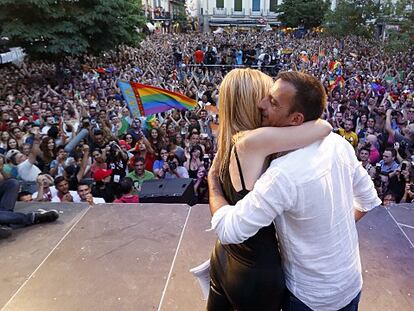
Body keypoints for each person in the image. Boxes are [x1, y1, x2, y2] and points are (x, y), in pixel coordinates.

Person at [208, 71, 381, 311]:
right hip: (350, 284)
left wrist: (212, 183)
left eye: (272, 101)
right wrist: (330, 231)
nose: (262, 104)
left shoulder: (281, 174)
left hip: (307, 297)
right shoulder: (339, 144)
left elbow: (228, 230)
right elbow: (368, 199)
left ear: (296, 120)